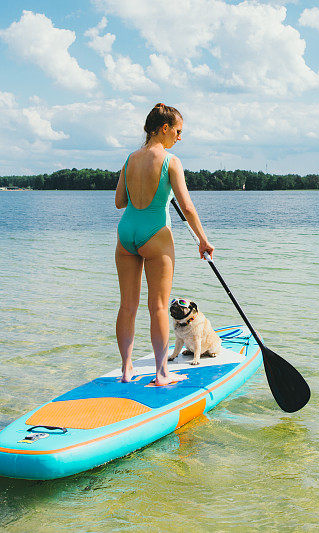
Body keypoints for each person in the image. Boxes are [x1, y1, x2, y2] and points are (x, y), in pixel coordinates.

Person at [114, 103, 214, 385]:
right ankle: (161, 374)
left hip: (127, 233)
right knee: (158, 307)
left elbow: (120, 201)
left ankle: (126, 370)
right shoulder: (171, 161)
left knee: (127, 306)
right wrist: (203, 241)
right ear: (165, 128)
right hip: (156, 233)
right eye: (178, 132)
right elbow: (188, 207)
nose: (179, 138)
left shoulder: (129, 159)